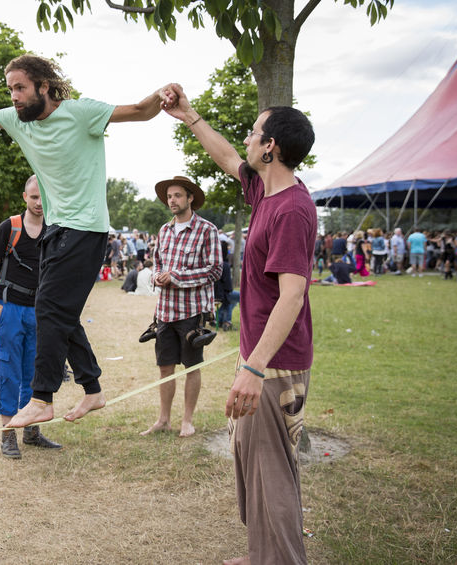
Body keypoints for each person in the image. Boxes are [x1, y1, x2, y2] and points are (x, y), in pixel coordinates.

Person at [0, 54, 169, 426]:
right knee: (57, 311)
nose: (14, 96)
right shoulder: (19, 122)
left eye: (20, 88)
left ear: (44, 87)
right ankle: (93, 390)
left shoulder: (81, 113)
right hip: (56, 229)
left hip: (86, 229)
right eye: (10, 90)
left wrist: (161, 95)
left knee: (48, 308)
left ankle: (41, 397)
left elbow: (138, 111)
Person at [163, 82, 317, 565]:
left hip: (274, 363)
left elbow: (293, 294)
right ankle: (262, 554)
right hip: (259, 358)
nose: (247, 140)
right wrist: (188, 115)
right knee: (252, 458)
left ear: (271, 147)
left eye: (255, 134)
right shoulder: (264, 192)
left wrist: (253, 368)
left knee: (271, 467)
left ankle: (281, 560)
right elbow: (227, 156)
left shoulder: (292, 208)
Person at [0, 175, 61, 458]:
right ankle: (8, 434)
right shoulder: (10, 227)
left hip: (41, 313)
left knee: (35, 373)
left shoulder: (56, 228)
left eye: (43, 197)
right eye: (33, 197)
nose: (39, 203)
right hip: (11, 309)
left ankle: (32, 432)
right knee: (8, 371)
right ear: (24, 197)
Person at [140, 176, 222, 438]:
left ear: (190, 198)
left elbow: (214, 270)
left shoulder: (207, 230)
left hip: (192, 312)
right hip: (164, 312)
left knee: (192, 366)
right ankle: (163, 420)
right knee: (165, 367)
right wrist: (157, 276)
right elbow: (158, 264)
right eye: (169, 196)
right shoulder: (164, 230)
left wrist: (176, 277)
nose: (171, 200)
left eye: (177, 195)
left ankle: (187, 420)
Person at [216, 241, 240, 331]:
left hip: (214, 293)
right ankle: (226, 321)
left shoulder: (214, 263)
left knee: (231, 299)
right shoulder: (225, 265)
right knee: (240, 296)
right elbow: (228, 286)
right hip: (222, 294)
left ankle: (220, 318)